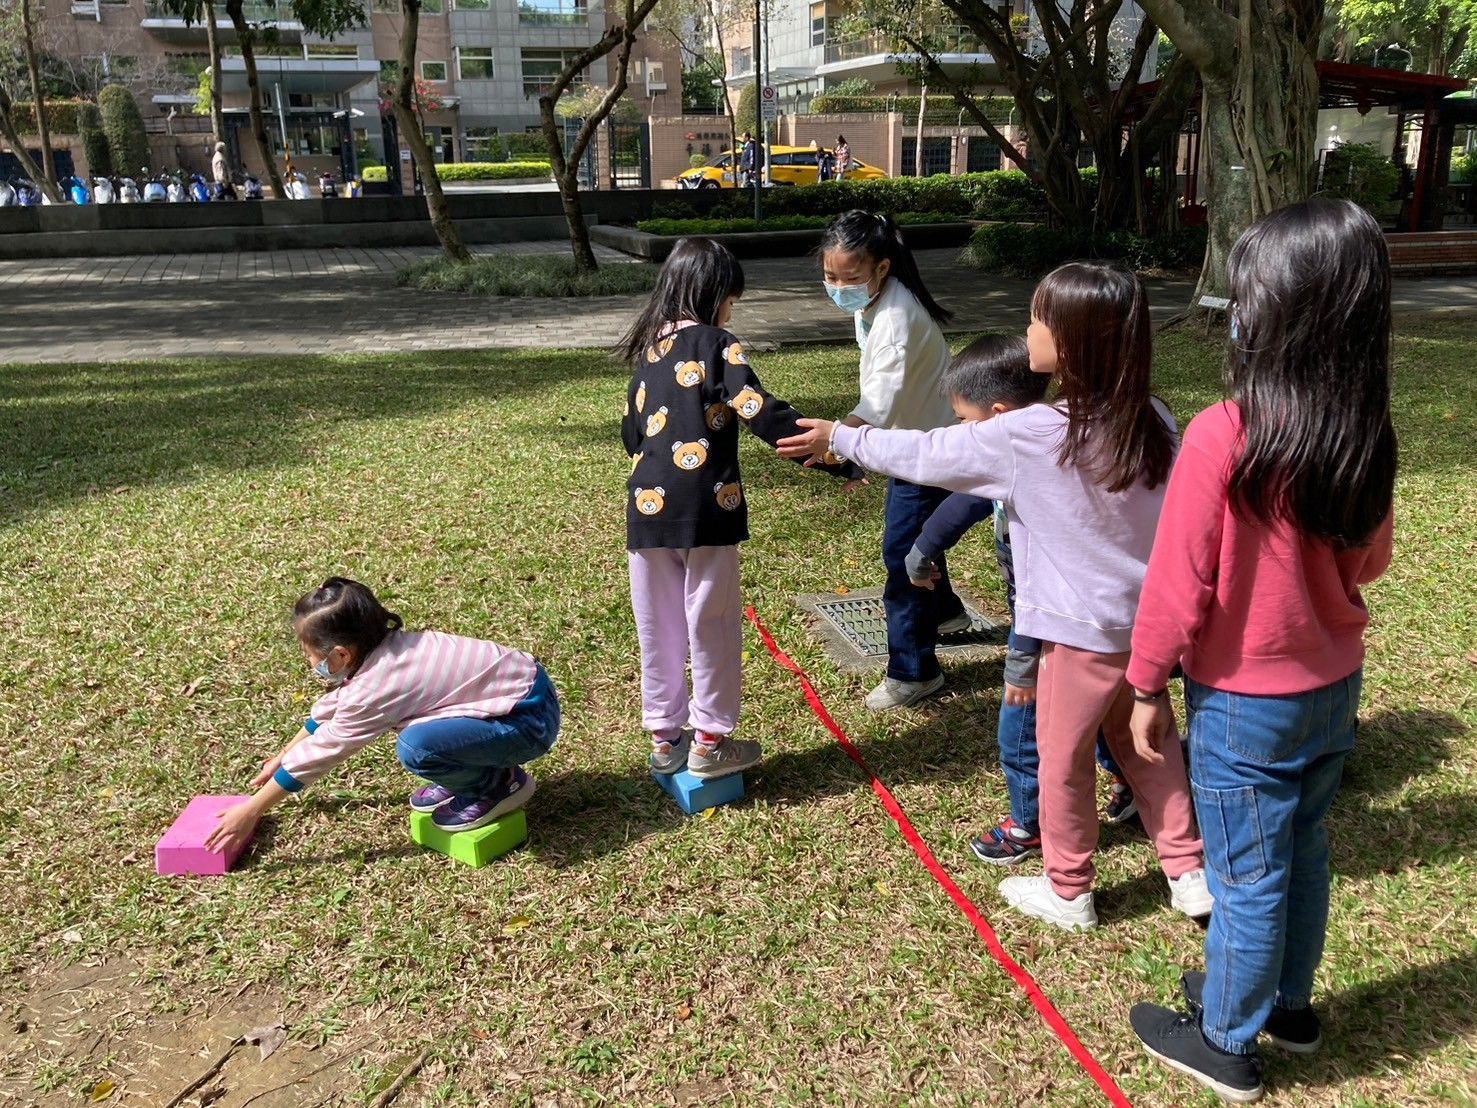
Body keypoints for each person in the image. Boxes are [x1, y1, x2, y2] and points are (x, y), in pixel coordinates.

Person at [780, 262, 1211, 930]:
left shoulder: (1032, 433)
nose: (1027, 330)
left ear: (1068, 342)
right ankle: (1188, 873)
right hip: (1145, 629)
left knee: (1062, 759)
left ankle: (1069, 890)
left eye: (1037, 319)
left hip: (1073, 636)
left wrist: (838, 437)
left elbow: (923, 453)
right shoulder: (1152, 415)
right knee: (1146, 745)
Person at [1126, 199, 1397, 1104]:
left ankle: (1225, 1041)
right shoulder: (1364, 430)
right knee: (1304, 850)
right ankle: (1286, 1005)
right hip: (1332, 684)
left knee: (1246, 876)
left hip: (1243, 702)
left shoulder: (1223, 433)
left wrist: (1142, 684)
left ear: (1275, 313)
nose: (1230, 310)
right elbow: (1372, 560)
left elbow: (1176, 583)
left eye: (1242, 294)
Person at [618, 238, 862, 779]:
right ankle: (709, 741)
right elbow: (759, 411)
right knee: (712, 622)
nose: (733, 309)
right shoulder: (718, 344)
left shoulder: (649, 352)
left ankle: (665, 738)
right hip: (707, 508)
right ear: (715, 294)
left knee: (656, 624)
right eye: (733, 298)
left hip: (646, 510)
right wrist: (834, 456)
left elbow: (631, 435)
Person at [901, 335, 1132, 866]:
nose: (960, 431)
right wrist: (925, 547)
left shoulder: (1028, 455)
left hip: (1050, 621)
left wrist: (1022, 665)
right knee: (1096, 717)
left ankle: (1029, 824)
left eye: (964, 421)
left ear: (1000, 415)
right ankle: (1134, 782)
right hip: (1075, 623)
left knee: (1022, 729)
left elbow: (1041, 584)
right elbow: (968, 500)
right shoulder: (1039, 444)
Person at [204, 578, 561, 855]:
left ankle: (496, 786)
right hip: (523, 695)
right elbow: (331, 711)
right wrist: (285, 753)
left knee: (417, 748)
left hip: (528, 720)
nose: (307, 661)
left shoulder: (377, 688)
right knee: (421, 738)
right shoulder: (386, 650)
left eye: (308, 653)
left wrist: (252, 810)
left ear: (340, 654)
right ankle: (473, 772)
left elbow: (324, 753)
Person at [812, 210, 959, 713]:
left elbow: (879, 402)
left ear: (882, 268)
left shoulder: (895, 320)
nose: (837, 287)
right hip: (920, 439)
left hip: (923, 450)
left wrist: (834, 441)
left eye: (849, 278)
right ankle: (945, 611)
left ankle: (914, 671)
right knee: (919, 540)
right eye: (830, 277)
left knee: (901, 558)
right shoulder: (878, 301)